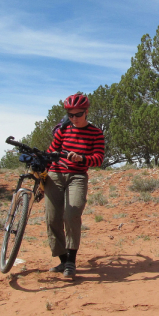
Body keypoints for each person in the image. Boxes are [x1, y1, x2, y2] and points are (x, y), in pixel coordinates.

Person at [44, 92, 105, 278]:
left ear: (86, 112)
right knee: (52, 218)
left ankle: (71, 260)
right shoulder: (63, 129)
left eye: (78, 114)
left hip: (77, 176)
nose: (74, 118)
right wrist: (42, 170)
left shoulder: (96, 133)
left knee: (72, 214)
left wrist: (82, 158)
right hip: (55, 174)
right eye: (70, 115)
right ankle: (63, 260)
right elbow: (52, 150)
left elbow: (99, 158)